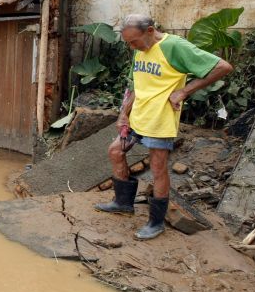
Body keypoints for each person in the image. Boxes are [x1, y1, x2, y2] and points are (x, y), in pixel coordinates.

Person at [95, 14, 233, 240]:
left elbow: (223, 67)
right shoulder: (139, 49)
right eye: (128, 43)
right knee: (115, 151)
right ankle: (123, 202)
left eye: (134, 41)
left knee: (158, 168)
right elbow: (136, 86)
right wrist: (123, 114)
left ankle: (156, 223)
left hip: (160, 120)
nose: (132, 47)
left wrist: (184, 91)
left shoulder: (174, 46)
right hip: (138, 117)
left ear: (150, 31)